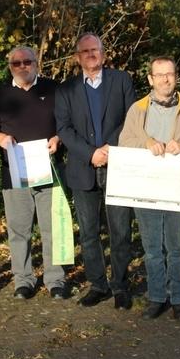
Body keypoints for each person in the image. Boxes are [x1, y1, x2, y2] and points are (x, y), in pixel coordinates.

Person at [119, 56, 180, 320]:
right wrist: (146, 143)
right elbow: (124, 142)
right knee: (151, 249)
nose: (165, 79)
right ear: (150, 79)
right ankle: (156, 297)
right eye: (159, 75)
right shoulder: (137, 109)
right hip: (146, 188)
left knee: (177, 247)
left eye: (169, 74)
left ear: (176, 76)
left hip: (178, 189)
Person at [55, 32, 136, 309]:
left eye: (95, 49)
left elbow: (132, 118)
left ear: (103, 53)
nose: (91, 54)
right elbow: (64, 128)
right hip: (82, 167)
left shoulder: (121, 80)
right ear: (78, 57)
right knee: (89, 233)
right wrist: (91, 153)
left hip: (118, 164)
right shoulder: (66, 90)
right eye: (85, 51)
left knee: (120, 231)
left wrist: (109, 148)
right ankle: (98, 285)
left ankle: (121, 285)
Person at [0, 46, 65, 300]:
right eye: (16, 63)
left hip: (49, 171)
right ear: (10, 66)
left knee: (52, 228)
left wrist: (58, 138)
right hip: (14, 173)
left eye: (27, 62)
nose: (22, 67)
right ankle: (23, 280)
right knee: (19, 231)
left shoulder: (54, 89)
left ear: (36, 63)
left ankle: (55, 280)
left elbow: (67, 124)